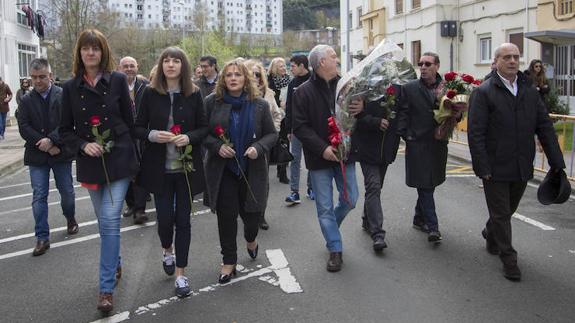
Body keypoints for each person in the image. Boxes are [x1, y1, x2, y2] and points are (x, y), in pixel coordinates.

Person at [468, 43, 566, 281]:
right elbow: (476, 133)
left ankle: (491, 234)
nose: (513, 61)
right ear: (497, 61)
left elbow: (544, 126)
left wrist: (557, 163)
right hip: (495, 166)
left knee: (507, 211)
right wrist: (482, 167)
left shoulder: (529, 91)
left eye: (516, 57)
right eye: (507, 57)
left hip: (522, 164)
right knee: (501, 213)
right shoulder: (483, 92)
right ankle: (509, 259)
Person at [59, 29, 138, 313]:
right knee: (106, 225)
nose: (90, 53)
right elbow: (65, 131)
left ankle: (106, 289)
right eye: (85, 48)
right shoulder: (69, 88)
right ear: (79, 53)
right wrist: (83, 146)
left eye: (95, 48)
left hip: (119, 160)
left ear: (103, 51)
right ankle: (115, 262)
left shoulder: (117, 80)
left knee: (108, 220)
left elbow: (130, 123)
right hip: (91, 164)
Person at [135, 47, 207, 297]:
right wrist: (153, 135)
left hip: (186, 169)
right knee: (165, 219)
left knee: (183, 221)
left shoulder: (194, 94)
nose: (171, 65)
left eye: (176, 61)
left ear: (183, 66)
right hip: (159, 169)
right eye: (167, 60)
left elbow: (204, 129)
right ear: (161, 65)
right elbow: (138, 128)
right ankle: (167, 249)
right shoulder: (150, 93)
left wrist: (188, 137)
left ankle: (181, 275)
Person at [203, 59, 277, 284]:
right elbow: (202, 133)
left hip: (252, 170)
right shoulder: (210, 103)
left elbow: (272, 135)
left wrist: (258, 147)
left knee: (252, 217)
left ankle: (251, 239)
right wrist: (217, 146)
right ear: (223, 80)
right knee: (226, 217)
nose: (233, 78)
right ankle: (229, 261)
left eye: (238, 74)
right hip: (223, 170)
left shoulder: (260, 105)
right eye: (228, 75)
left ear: (246, 78)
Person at [292, 45, 363, 272]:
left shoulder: (348, 86)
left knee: (350, 199)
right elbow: (300, 127)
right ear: (322, 62)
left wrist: (363, 106)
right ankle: (335, 248)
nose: (337, 59)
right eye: (333, 56)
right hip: (319, 157)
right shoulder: (302, 92)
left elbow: (360, 116)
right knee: (323, 207)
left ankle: (331, 225)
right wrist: (322, 149)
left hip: (345, 154)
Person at [17, 58, 78, 256]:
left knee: (67, 192)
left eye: (42, 77)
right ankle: (42, 237)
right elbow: (24, 126)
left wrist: (52, 141)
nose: (38, 81)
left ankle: (70, 217)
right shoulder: (26, 100)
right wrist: (43, 144)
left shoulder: (63, 95)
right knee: (39, 195)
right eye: (34, 77)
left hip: (60, 152)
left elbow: (68, 123)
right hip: (37, 155)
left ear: (50, 76)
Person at [396, 51, 446, 243]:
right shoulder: (409, 88)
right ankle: (433, 227)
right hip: (417, 142)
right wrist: (406, 135)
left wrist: (454, 116)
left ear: (437, 66)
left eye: (427, 64)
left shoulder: (447, 87)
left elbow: (455, 114)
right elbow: (402, 113)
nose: (423, 67)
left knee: (430, 183)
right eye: (421, 64)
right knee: (425, 185)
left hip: (438, 144)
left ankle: (419, 217)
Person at [355, 84, 402, 252]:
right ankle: (378, 234)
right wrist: (375, 122)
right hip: (367, 149)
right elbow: (355, 115)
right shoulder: (363, 88)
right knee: (373, 186)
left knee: (375, 188)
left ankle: (367, 219)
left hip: (387, 150)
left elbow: (403, 113)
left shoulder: (398, 88)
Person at [244, 59, 284, 230]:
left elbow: (277, 114)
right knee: (243, 178)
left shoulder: (268, 94)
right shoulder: (238, 93)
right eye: (250, 73)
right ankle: (246, 211)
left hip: (263, 145)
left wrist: (272, 132)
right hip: (243, 144)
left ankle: (260, 214)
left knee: (262, 180)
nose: (254, 77)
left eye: (258, 74)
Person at [118, 56, 150, 224]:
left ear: (137, 67)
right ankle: (131, 204)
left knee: (141, 171)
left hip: (141, 135)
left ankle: (140, 209)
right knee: (125, 172)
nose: (129, 69)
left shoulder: (145, 87)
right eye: (125, 66)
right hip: (122, 135)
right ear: (119, 68)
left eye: (132, 66)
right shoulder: (113, 86)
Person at [284, 55, 313, 205]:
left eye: (293, 66)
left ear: (302, 66)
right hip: (296, 128)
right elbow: (289, 107)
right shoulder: (292, 84)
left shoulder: (314, 80)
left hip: (313, 128)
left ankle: (311, 188)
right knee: (294, 159)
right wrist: (289, 128)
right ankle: (294, 192)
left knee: (312, 157)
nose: (291, 69)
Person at [267, 57, 291, 184]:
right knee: (273, 142)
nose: (284, 68)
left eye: (284, 66)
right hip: (273, 116)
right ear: (275, 67)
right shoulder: (269, 81)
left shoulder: (288, 80)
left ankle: (282, 172)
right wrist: (278, 103)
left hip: (286, 116)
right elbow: (267, 99)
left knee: (284, 142)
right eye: (281, 66)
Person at [0, 76, 12, 141]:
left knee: (3, 122)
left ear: (1, 81)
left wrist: (8, 98)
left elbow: (10, 94)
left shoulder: (6, 86)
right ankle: (1, 135)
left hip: (4, 107)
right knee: (0, 122)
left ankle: (2, 133)